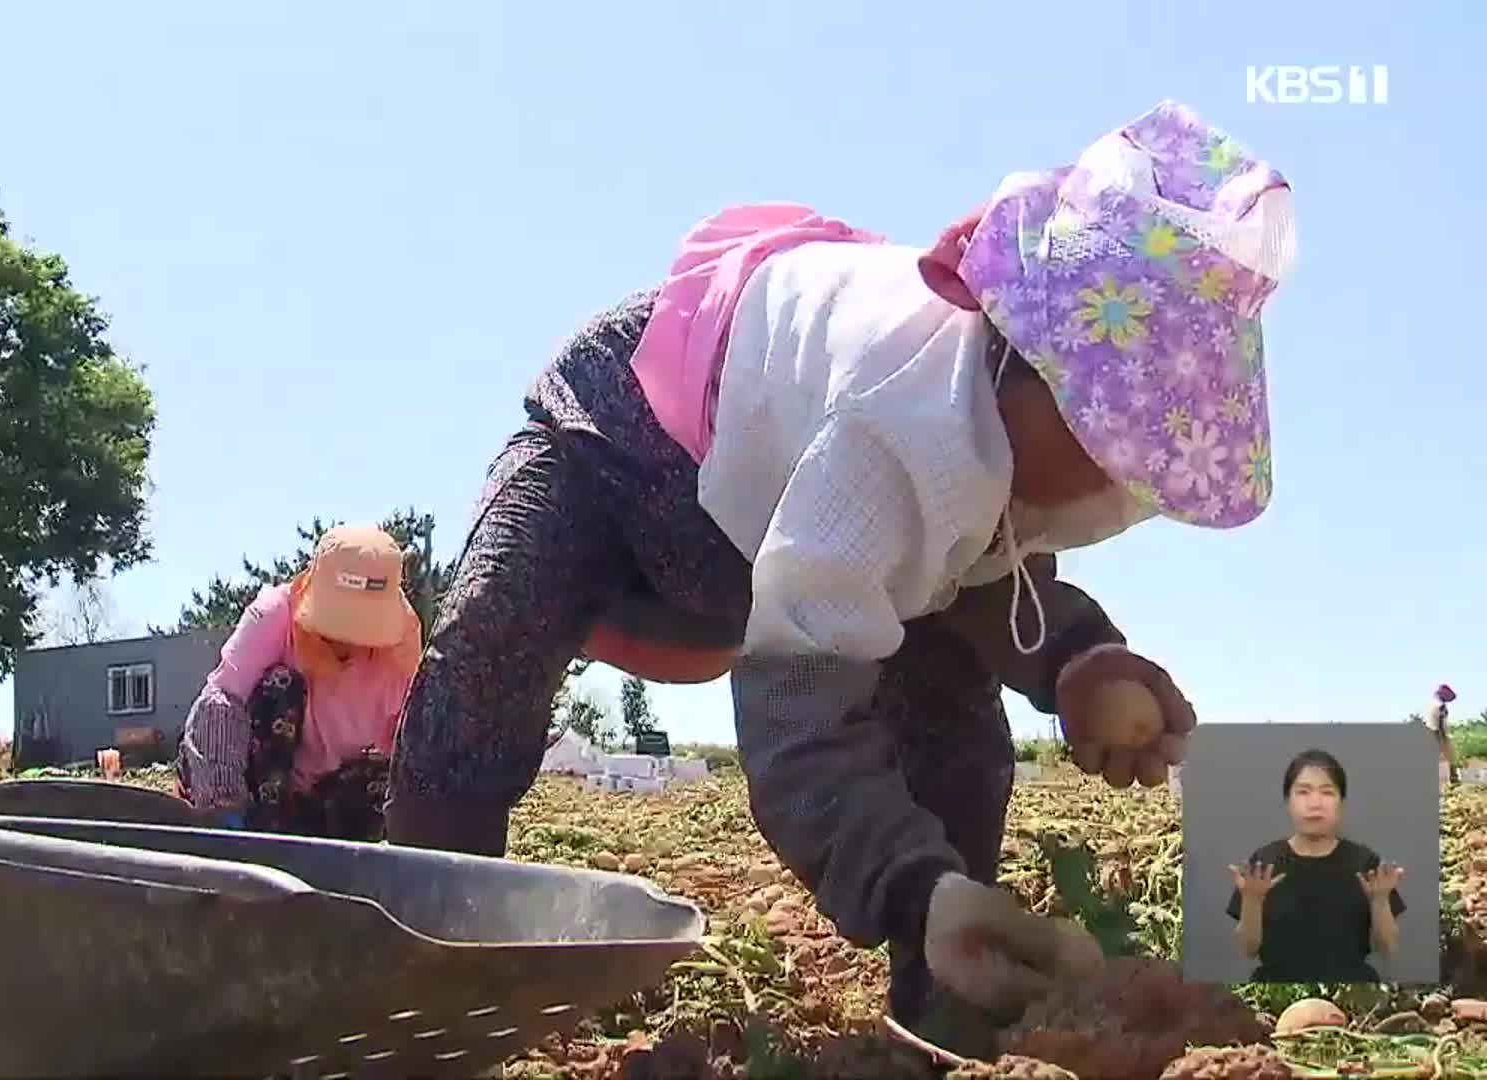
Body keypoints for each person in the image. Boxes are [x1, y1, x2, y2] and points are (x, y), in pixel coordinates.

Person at [385, 99, 1294, 1031]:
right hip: (622, 442)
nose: (1120, 477)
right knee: (492, 639)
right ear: (1025, 357)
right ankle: (419, 955)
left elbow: (979, 573)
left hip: (771, 521)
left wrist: (1080, 662)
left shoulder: (1000, 445)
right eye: (1111, 437)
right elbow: (798, 709)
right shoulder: (900, 428)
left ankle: (951, 1001)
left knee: (948, 705)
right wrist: (908, 885)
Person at [176, 524, 421, 840]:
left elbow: (408, 747)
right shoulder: (276, 614)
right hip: (254, 790)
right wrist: (225, 813)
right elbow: (220, 703)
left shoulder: (401, 647)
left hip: (322, 798)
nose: (347, 640)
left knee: (375, 779)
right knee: (280, 687)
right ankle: (254, 831)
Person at [1227, 749, 1405, 982]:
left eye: (1327, 792)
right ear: (1287, 801)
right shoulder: (1264, 863)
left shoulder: (1365, 863)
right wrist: (1252, 900)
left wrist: (1380, 901)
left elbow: (1388, 948)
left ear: (1341, 803)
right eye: (1303, 792)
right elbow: (1246, 950)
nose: (1315, 803)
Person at [1428, 683, 1458, 787]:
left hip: (1431, 731)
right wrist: (1443, 737)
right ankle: (1453, 779)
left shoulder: (1432, 704)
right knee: (1450, 756)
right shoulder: (1441, 706)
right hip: (1438, 733)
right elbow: (1440, 722)